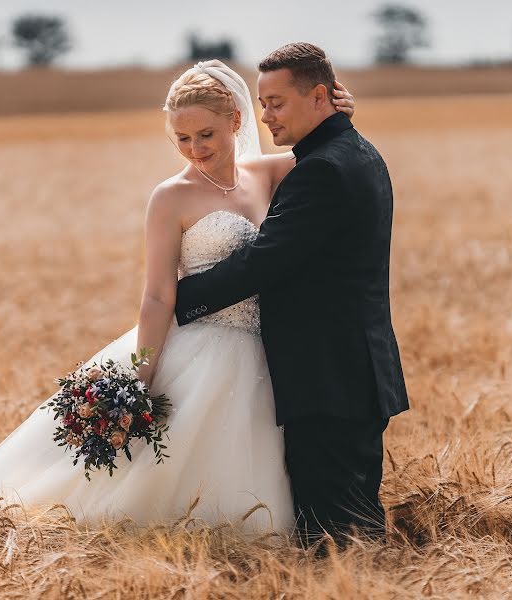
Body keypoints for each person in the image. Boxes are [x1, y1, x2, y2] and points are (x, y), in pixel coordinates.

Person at [0, 58, 356, 533]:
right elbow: (157, 296)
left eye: (205, 134)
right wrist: (140, 377)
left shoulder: (266, 174)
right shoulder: (171, 197)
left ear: (236, 120)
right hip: (202, 347)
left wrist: (342, 112)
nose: (194, 149)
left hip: (265, 350)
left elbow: (325, 150)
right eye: (182, 139)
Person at [174, 43, 409, 547]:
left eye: (276, 102)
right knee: (355, 531)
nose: (265, 116)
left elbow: (264, 261)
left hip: (327, 381)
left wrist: (176, 298)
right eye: (262, 103)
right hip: (352, 374)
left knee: (332, 540)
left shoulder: (323, 170)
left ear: (320, 96)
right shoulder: (356, 151)